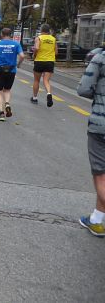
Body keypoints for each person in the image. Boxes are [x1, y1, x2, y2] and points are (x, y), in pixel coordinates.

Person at [77, 50, 105, 237]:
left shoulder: (101, 57)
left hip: (101, 125)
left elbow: (84, 89)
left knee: (101, 175)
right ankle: (96, 220)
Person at [0, 28, 24, 121]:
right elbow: (22, 55)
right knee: (7, 90)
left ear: (1, 34)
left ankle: (1, 113)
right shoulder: (16, 44)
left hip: (0, 70)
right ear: (11, 34)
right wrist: (19, 64)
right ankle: (7, 103)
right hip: (11, 70)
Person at [31, 23, 56, 107]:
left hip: (39, 61)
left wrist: (34, 54)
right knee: (46, 80)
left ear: (41, 30)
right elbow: (56, 52)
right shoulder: (53, 39)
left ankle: (34, 97)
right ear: (49, 31)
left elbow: (37, 48)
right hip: (50, 62)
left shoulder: (39, 38)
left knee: (36, 80)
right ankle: (49, 93)